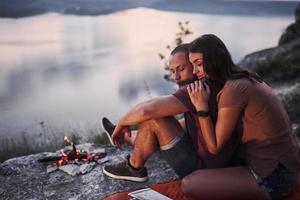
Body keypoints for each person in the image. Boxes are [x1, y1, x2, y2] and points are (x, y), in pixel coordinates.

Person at [181, 34, 300, 200]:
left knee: (189, 184)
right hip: (285, 166)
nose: (195, 71)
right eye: (193, 65)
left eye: (199, 64)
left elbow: (214, 147)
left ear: (215, 59)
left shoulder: (234, 89)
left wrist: (201, 107)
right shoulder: (244, 76)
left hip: (275, 177)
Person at [102, 43, 240, 182]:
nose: (176, 77)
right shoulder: (210, 84)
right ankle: (127, 137)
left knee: (155, 119)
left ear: (195, 65)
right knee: (159, 121)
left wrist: (122, 122)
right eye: (173, 71)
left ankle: (134, 167)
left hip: (204, 170)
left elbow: (146, 110)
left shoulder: (196, 89)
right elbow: (187, 123)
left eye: (181, 69)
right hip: (215, 162)